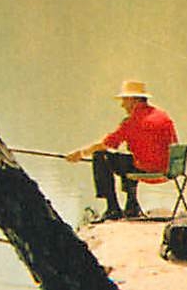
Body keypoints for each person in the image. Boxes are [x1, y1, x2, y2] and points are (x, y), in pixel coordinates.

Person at [65, 79, 177, 220]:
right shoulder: (162, 115)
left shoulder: (134, 121)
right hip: (169, 169)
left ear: (133, 100)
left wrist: (80, 153)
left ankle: (112, 208)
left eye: (124, 100)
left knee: (100, 156)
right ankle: (131, 206)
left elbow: (106, 144)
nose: (122, 105)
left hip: (149, 170)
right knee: (129, 159)